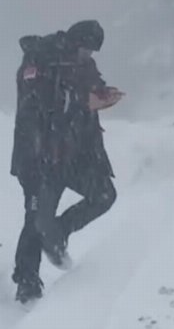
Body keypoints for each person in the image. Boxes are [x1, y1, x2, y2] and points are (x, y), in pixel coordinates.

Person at [10, 20, 123, 304]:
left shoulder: (83, 64)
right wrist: (83, 100)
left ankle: (59, 231)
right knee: (34, 218)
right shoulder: (39, 58)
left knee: (104, 194)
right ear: (75, 41)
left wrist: (104, 94)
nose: (88, 56)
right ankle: (27, 282)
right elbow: (39, 103)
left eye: (92, 52)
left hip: (74, 156)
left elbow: (90, 87)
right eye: (86, 49)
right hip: (39, 156)